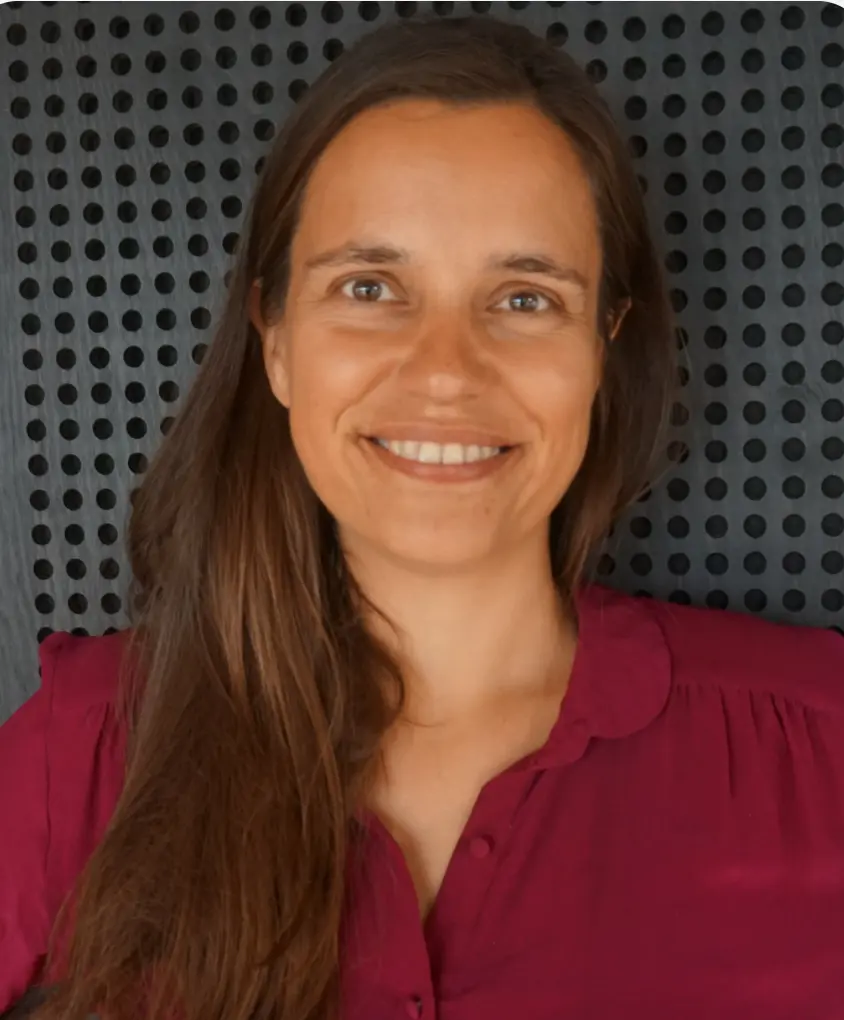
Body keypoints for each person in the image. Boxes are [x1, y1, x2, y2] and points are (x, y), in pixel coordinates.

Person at [1, 13, 842, 1020]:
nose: (445, 372)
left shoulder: (817, 744)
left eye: (524, 298)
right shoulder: (81, 756)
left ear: (603, 350)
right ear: (273, 338)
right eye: (370, 287)